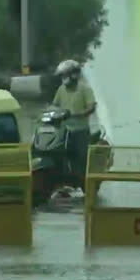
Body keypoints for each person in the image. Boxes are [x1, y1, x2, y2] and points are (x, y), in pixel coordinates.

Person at [51, 59, 96, 192]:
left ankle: (85, 187)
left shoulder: (85, 89)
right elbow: (55, 105)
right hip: (63, 130)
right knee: (59, 156)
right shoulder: (61, 89)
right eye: (62, 76)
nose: (63, 78)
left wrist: (78, 114)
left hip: (80, 130)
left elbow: (91, 107)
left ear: (74, 75)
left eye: (65, 75)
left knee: (81, 160)